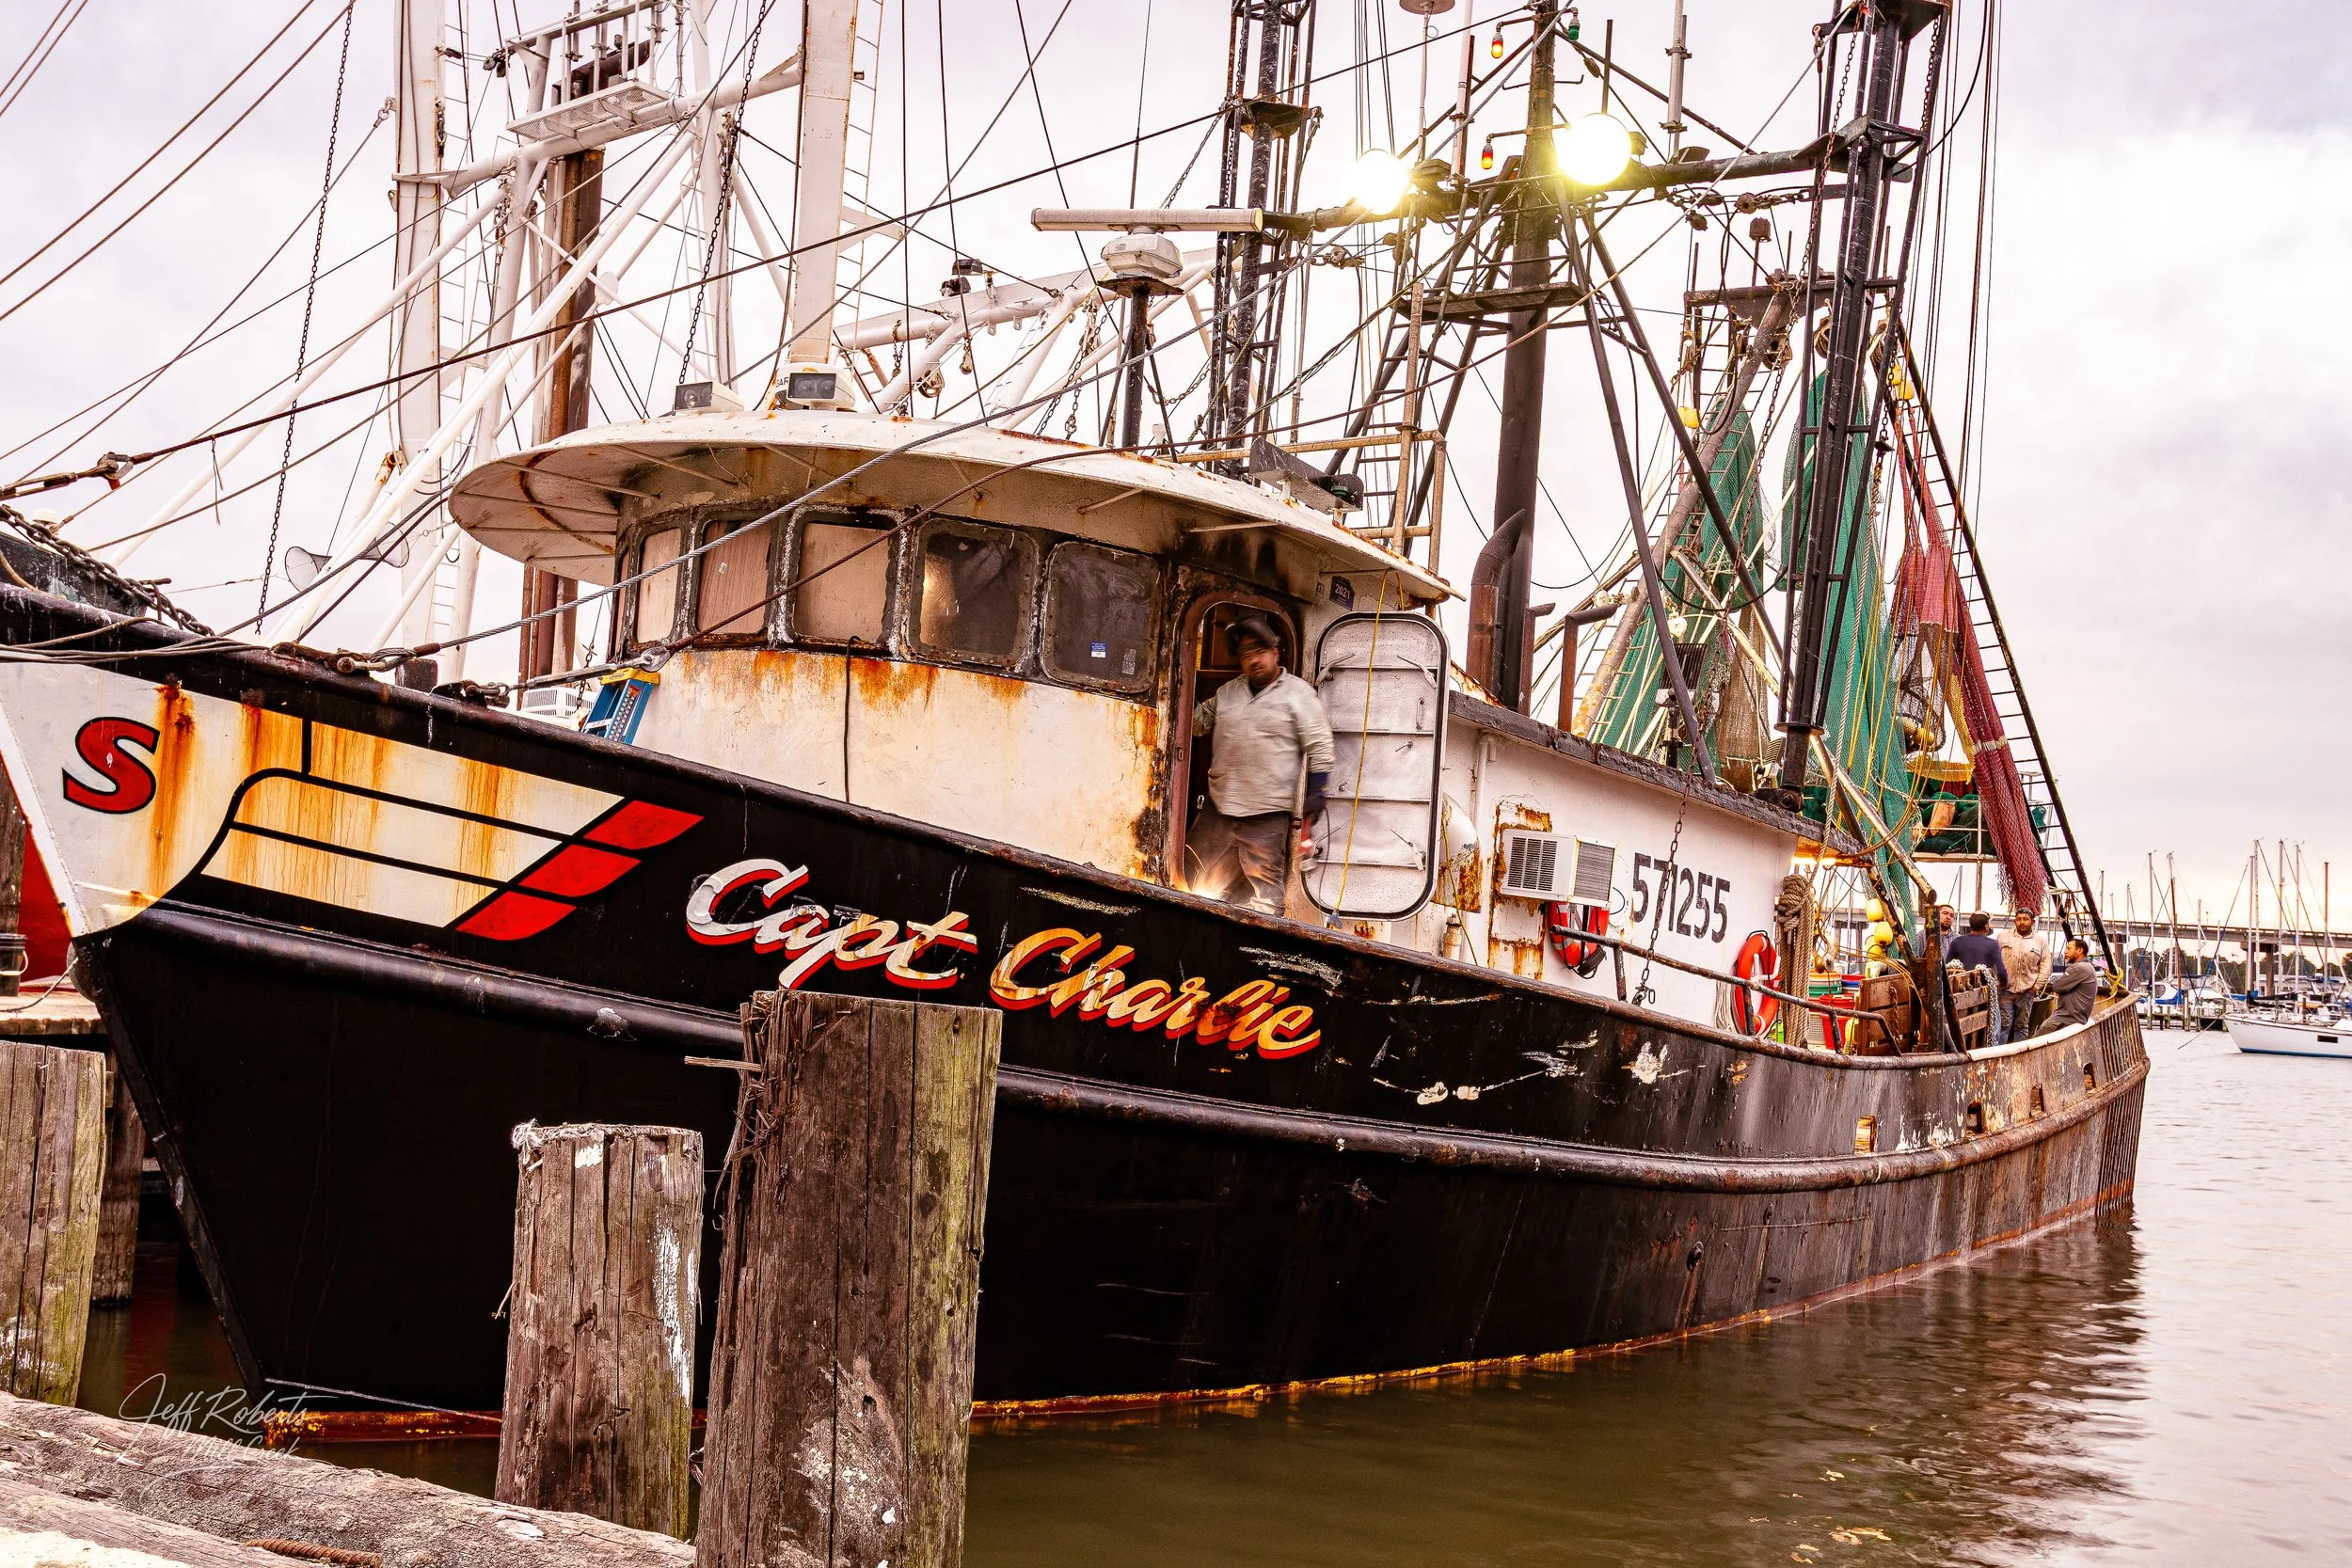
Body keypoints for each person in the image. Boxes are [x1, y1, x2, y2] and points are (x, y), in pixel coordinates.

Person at [1187, 618, 1333, 915]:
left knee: (1266, 897)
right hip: (1218, 810)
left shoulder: (1299, 694)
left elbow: (1320, 746)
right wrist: (1177, 688)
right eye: (1245, 655)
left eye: (1259, 652)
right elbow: (1199, 722)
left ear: (1276, 653)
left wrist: (1316, 794)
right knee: (1185, 873)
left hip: (1266, 818)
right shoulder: (1229, 692)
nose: (1253, 660)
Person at [1947, 911, 2010, 1039]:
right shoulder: (1991, 944)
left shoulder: (1957, 942)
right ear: (1986, 926)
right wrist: (2003, 986)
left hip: (1960, 993)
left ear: (1971, 925)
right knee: (1995, 1025)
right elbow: (2002, 972)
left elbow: (1947, 965)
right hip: (1984, 995)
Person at [1997, 909, 2052, 1043]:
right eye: (2019, 919)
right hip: (2005, 990)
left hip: (2027, 991)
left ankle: (2018, 1057)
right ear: (2015, 921)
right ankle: (1998, 1056)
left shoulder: (2040, 941)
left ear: (2032, 922)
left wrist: (2035, 987)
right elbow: (1995, 959)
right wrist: (1998, 982)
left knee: (2022, 1027)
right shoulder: (2003, 936)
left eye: (2025, 919)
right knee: (2003, 1026)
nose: (2022, 922)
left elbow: (2046, 965)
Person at [2039, 937, 2099, 1034]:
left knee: (2037, 1040)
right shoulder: (2088, 967)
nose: (2065, 952)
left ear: (2079, 950)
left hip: (2065, 1020)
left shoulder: (2079, 968)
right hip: (2076, 1019)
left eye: (2069, 948)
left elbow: (2057, 986)